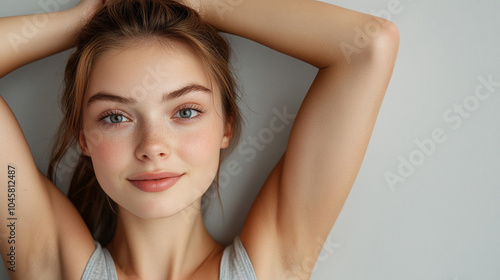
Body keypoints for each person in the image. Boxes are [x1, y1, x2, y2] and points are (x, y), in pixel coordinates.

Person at [0, 0, 399, 279]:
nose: (152, 146)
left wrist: (200, 3)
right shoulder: (50, 265)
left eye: (185, 111)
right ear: (82, 138)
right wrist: (82, 21)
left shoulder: (274, 266)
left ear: (226, 125)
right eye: (116, 117)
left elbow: (368, 45)